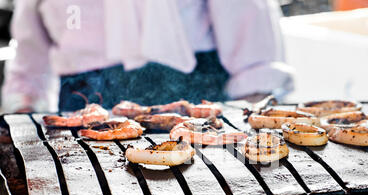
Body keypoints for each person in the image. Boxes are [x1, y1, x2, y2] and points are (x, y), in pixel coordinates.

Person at [1, 0, 294, 113]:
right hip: (83, 100)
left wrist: (256, 107)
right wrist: (23, 103)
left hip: (192, 93)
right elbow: (31, 43)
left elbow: (249, 23)